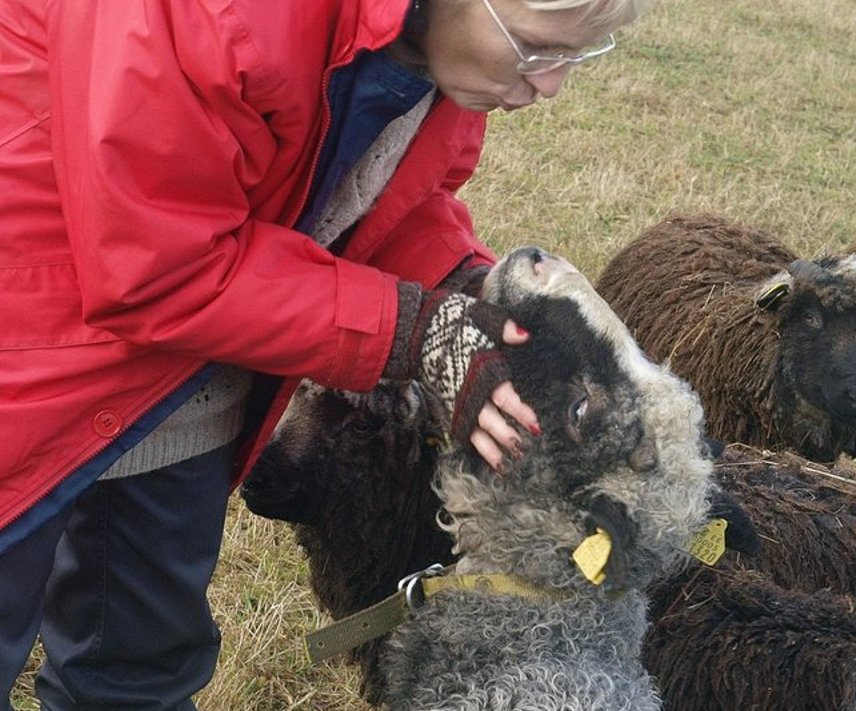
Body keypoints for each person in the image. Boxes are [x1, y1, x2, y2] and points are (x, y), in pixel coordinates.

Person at [0, 0, 652, 707]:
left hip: (188, 369)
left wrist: (458, 289)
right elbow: (156, 262)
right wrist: (408, 327)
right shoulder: (213, 15)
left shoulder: (431, 57)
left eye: (577, 57)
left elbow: (365, 195)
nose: (549, 85)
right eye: (534, 48)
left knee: (139, 656)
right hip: (29, 351)